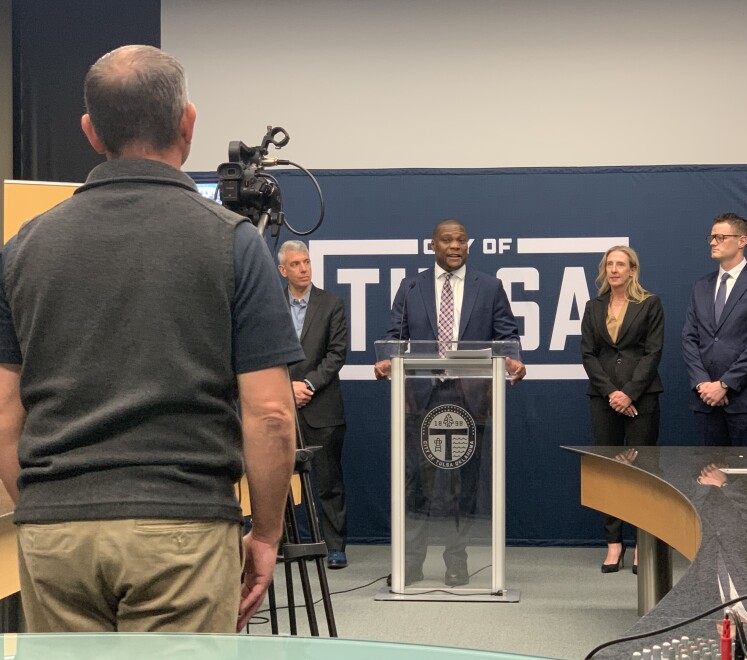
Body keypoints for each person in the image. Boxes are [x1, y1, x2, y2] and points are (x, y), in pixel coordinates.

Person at [0, 45, 303, 633]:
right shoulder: (233, 243)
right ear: (188, 122)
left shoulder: (22, 248)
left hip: (54, 534)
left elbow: (3, 411)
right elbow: (270, 414)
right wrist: (265, 535)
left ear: (91, 132)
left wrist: (42, 504)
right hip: (183, 531)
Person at [374, 218, 525, 587]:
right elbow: (394, 336)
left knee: (464, 486)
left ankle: (457, 561)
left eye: (461, 240)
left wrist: (512, 358)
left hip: (469, 398)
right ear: (433, 246)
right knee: (417, 483)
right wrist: (385, 359)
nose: (455, 245)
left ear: (468, 245)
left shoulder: (489, 287)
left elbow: (506, 335)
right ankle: (410, 562)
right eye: (447, 240)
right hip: (421, 395)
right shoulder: (412, 287)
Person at [581, 245, 664, 574]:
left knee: (641, 472)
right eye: (610, 264)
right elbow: (589, 354)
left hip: (642, 398)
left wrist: (628, 394)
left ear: (632, 270)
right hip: (603, 399)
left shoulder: (649, 304)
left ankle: (642, 543)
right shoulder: (593, 306)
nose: (615, 269)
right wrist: (611, 393)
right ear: (604, 270)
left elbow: (653, 353)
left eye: (621, 264)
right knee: (610, 471)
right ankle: (614, 544)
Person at [277, 240, 350, 568]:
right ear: (283, 270)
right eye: (296, 264)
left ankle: (335, 547)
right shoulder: (268, 304)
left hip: (321, 407)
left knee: (329, 481)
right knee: (276, 480)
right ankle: (281, 543)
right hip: (279, 406)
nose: (304, 268)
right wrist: (285, 388)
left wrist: (306, 385)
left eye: (306, 262)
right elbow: (259, 353)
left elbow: (337, 353)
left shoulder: (331, 303)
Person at [681, 212, 747, 446]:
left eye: (720, 237)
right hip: (706, 400)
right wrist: (703, 383)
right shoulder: (701, 286)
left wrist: (724, 384)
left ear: (742, 241)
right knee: (708, 477)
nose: (713, 242)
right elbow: (689, 338)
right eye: (712, 237)